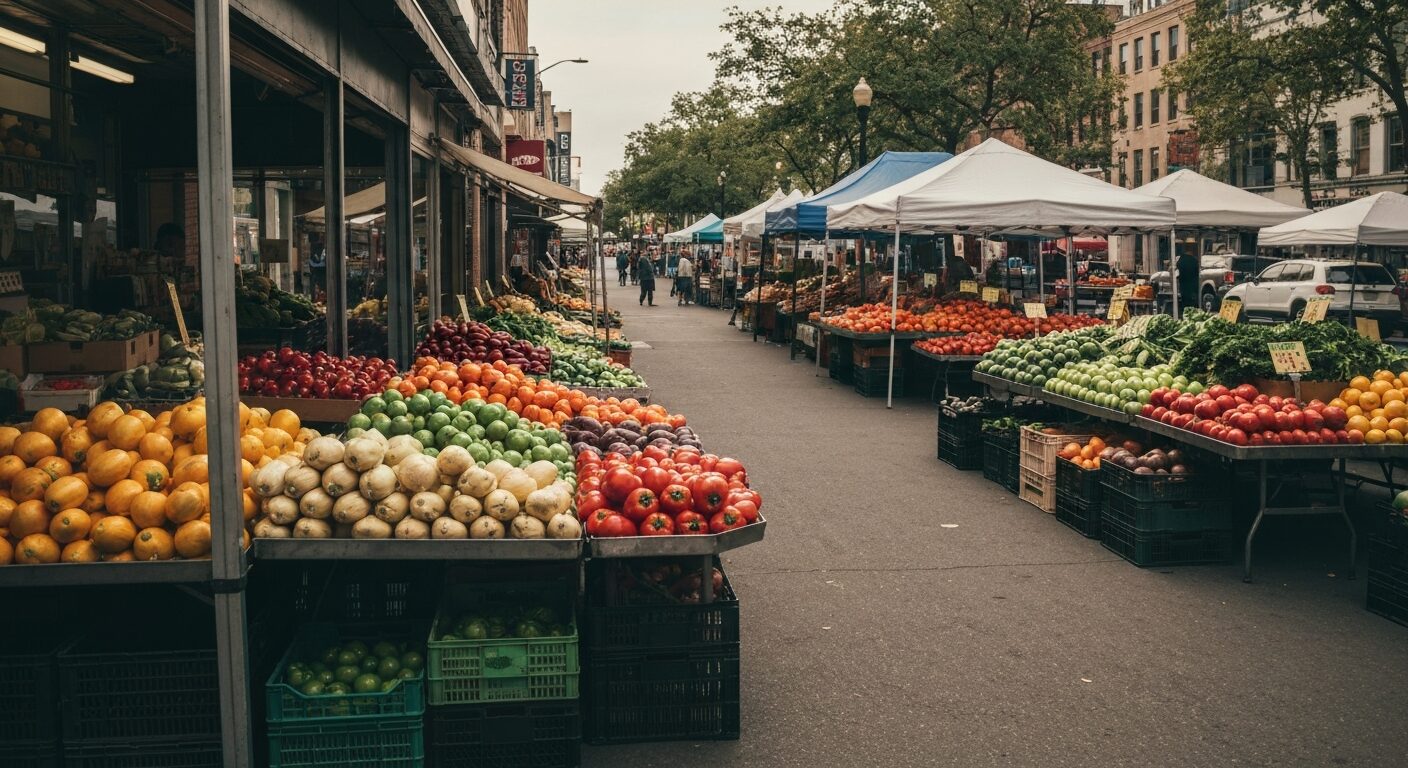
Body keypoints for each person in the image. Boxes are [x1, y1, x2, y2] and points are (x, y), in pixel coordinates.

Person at [1175, 248, 1199, 318]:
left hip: (1183, 283)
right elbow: (1197, 271)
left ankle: (1185, 314)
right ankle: (1192, 315)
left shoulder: (1181, 260)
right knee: (1192, 301)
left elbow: (1177, 269)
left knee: (1184, 300)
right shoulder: (1194, 260)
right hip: (1192, 283)